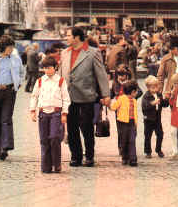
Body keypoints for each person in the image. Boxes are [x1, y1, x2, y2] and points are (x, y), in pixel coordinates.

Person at [59, 27, 110, 167]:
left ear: (77, 38)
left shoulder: (93, 53)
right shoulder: (64, 53)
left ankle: (89, 156)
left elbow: (101, 75)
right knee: (72, 128)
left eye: (68, 35)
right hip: (68, 97)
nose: (66, 38)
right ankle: (75, 156)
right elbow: (60, 75)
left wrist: (106, 94)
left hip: (87, 96)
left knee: (87, 128)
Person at [30, 56, 71, 174]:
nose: (47, 70)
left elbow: (66, 98)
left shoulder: (61, 81)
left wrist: (64, 113)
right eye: (45, 68)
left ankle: (56, 164)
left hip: (56, 113)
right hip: (43, 113)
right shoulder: (40, 81)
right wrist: (32, 110)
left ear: (55, 68)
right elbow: (34, 96)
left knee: (54, 138)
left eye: (49, 68)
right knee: (44, 140)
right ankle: (46, 166)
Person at [106, 80, 139, 166]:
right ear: (132, 92)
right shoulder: (121, 99)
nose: (137, 93)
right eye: (136, 91)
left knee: (132, 140)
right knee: (124, 141)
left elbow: (135, 113)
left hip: (131, 123)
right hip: (123, 123)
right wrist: (108, 104)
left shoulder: (134, 101)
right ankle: (125, 157)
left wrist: (136, 123)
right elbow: (114, 107)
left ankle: (133, 159)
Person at [142, 75, 168, 159]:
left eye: (156, 87)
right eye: (153, 87)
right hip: (148, 119)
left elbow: (164, 104)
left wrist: (167, 99)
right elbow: (144, 106)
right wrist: (153, 103)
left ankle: (158, 149)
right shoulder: (146, 96)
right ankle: (148, 151)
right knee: (148, 135)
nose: (155, 89)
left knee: (160, 134)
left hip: (157, 118)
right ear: (148, 88)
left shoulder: (159, 94)